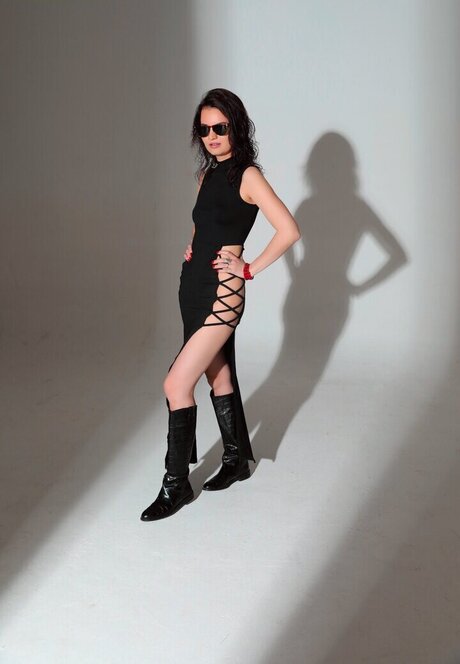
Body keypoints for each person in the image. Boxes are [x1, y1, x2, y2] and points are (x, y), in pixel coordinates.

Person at [140, 88, 301, 521]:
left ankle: (176, 485)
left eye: (220, 128)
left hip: (223, 293)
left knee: (176, 384)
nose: (211, 136)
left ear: (237, 127)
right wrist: (192, 246)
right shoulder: (205, 176)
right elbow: (205, 224)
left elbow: (288, 230)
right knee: (219, 374)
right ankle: (235, 461)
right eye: (204, 129)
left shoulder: (248, 176)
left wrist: (248, 268)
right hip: (193, 286)